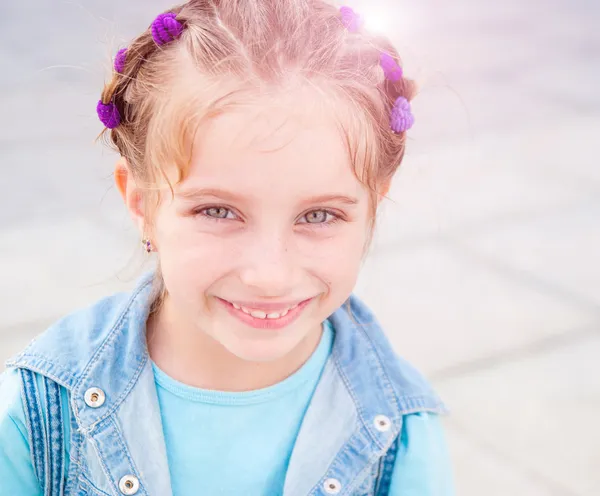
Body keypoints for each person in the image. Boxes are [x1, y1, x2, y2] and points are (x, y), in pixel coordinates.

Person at [0, 1, 454, 494]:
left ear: (371, 208)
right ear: (141, 202)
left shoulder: (402, 436)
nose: (269, 275)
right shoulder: (36, 412)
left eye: (319, 215)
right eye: (218, 211)